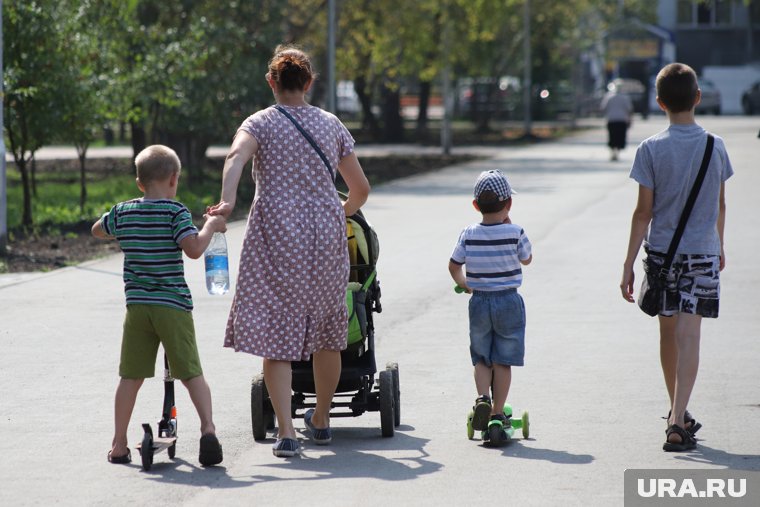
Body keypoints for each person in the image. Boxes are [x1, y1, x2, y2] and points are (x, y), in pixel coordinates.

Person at [207, 45, 370, 458]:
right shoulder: (331, 125)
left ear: (272, 81)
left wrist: (227, 202)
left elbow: (235, 157)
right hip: (324, 239)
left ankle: (286, 432)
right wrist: (336, 212)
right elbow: (360, 191)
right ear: (309, 82)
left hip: (275, 234)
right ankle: (322, 418)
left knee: (277, 335)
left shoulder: (259, 123)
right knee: (328, 333)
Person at [620, 63, 733, 452]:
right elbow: (720, 203)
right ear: (698, 98)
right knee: (691, 335)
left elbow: (642, 213)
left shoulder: (650, 149)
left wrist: (627, 264)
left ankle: (677, 414)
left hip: (662, 258)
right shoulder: (715, 146)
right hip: (702, 254)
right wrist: (719, 245)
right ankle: (677, 416)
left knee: (668, 335)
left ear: (659, 102)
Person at [92, 144, 226, 466]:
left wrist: (124, 230)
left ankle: (119, 443)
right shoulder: (175, 212)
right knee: (191, 373)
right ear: (174, 179)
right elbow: (193, 249)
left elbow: (97, 229)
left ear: (139, 183)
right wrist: (210, 227)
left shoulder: (122, 212)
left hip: (137, 307)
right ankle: (208, 431)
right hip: (172, 306)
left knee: (130, 377)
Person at [448, 170, 532, 444]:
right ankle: (497, 413)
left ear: (475, 206)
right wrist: (509, 224)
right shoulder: (515, 231)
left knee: (482, 356)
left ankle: (483, 397)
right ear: (509, 203)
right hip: (508, 300)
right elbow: (527, 258)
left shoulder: (468, 233)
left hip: (479, 302)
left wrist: (466, 283)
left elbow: (454, 265)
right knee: (503, 360)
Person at [601, 81, 634, 161]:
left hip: (611, 120)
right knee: (620, 137)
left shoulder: (608, 97)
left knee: (612, 136)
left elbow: (603, 108)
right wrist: (630, 120)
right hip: (622, 120)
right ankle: (617, 153)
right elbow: (629, 109)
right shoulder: (625, 97)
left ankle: (613, 152)